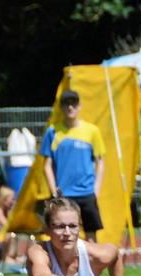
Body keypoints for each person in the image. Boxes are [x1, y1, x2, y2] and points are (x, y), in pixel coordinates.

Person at [40, 89, 106, 241]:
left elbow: (100, 163)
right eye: (66, 104)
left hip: (86, 192)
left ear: (79, 106)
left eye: (73, 103)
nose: (70, 107)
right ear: (61, 107)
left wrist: (96, 189)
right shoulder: (53, 132)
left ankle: (91, 264)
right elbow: (46, 165)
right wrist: (54, 191)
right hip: (64, 194)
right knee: (63, 235)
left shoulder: (92, 131)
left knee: (91, 235)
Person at [0, 185, 27, 269]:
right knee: (10, 234)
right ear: (3, 199)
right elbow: (7, 225)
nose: (13, 201)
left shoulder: (5, 210)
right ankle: (7, 258)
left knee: (21, 234)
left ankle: (16, 256)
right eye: (11, 199)